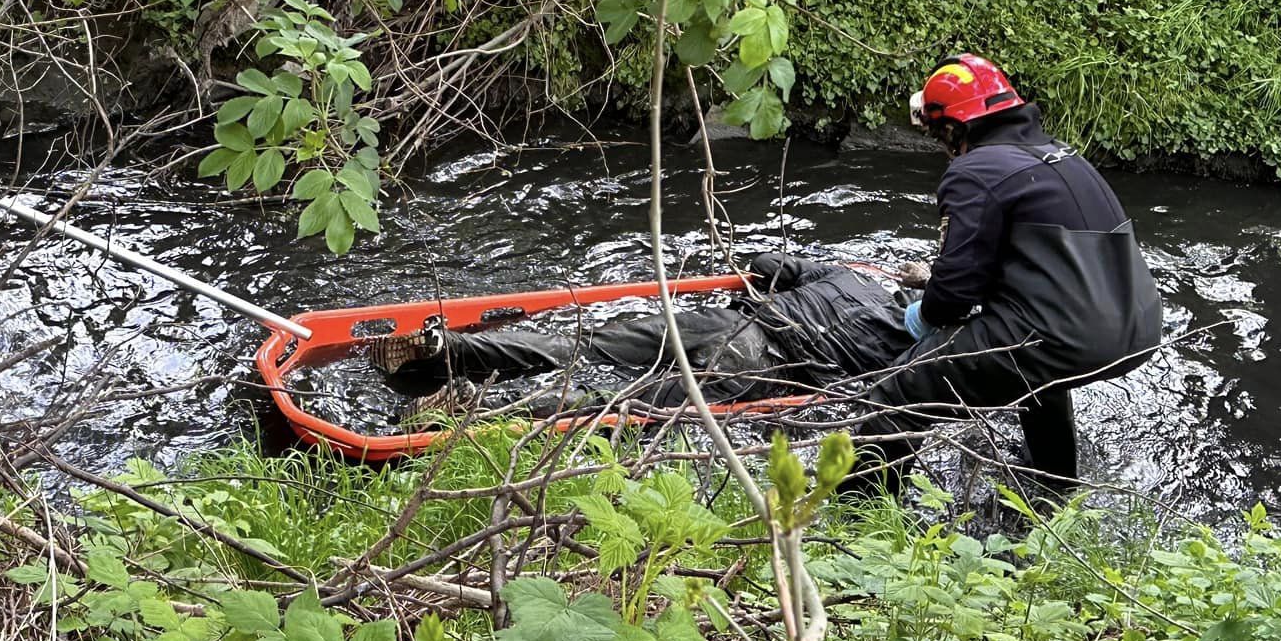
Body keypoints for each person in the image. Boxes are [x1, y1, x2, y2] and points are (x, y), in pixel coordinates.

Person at [847, 54, 1163, 496]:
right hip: (1139, 328)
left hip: (1068, 334)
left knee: (899, 392)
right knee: (1037, 376)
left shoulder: (975, 171)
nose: (943, 146)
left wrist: (927, 313)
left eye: (940, 134)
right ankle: (1054, 493)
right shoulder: (1064, 157)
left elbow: (956, 293)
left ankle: (857, 523)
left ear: (956, 129)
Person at [369, 250, 927, 408]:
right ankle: (479, 410)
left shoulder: (851, 276)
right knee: (615, 400)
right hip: (760, 367)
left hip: (730, 321)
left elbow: (763, 264)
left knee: (584, 343)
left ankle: (452, 349)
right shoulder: (907, 346)